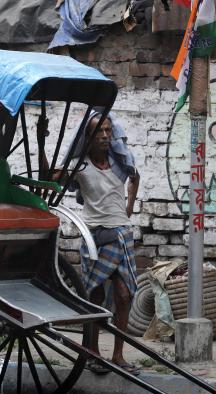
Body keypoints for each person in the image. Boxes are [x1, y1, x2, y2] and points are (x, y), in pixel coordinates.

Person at [53, 112, 141, 375]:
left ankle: (118, 355)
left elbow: (135, 177)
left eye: (107, 131)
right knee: (95, 296)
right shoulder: (80, 166)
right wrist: (43, 136)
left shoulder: (119, 161)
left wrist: (129, 206)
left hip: (121, 233)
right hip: (94, 235)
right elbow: (53, 178)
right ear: (88, 138)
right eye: (98, 132)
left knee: (124, 296)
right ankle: (92, 352)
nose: (104, 136)